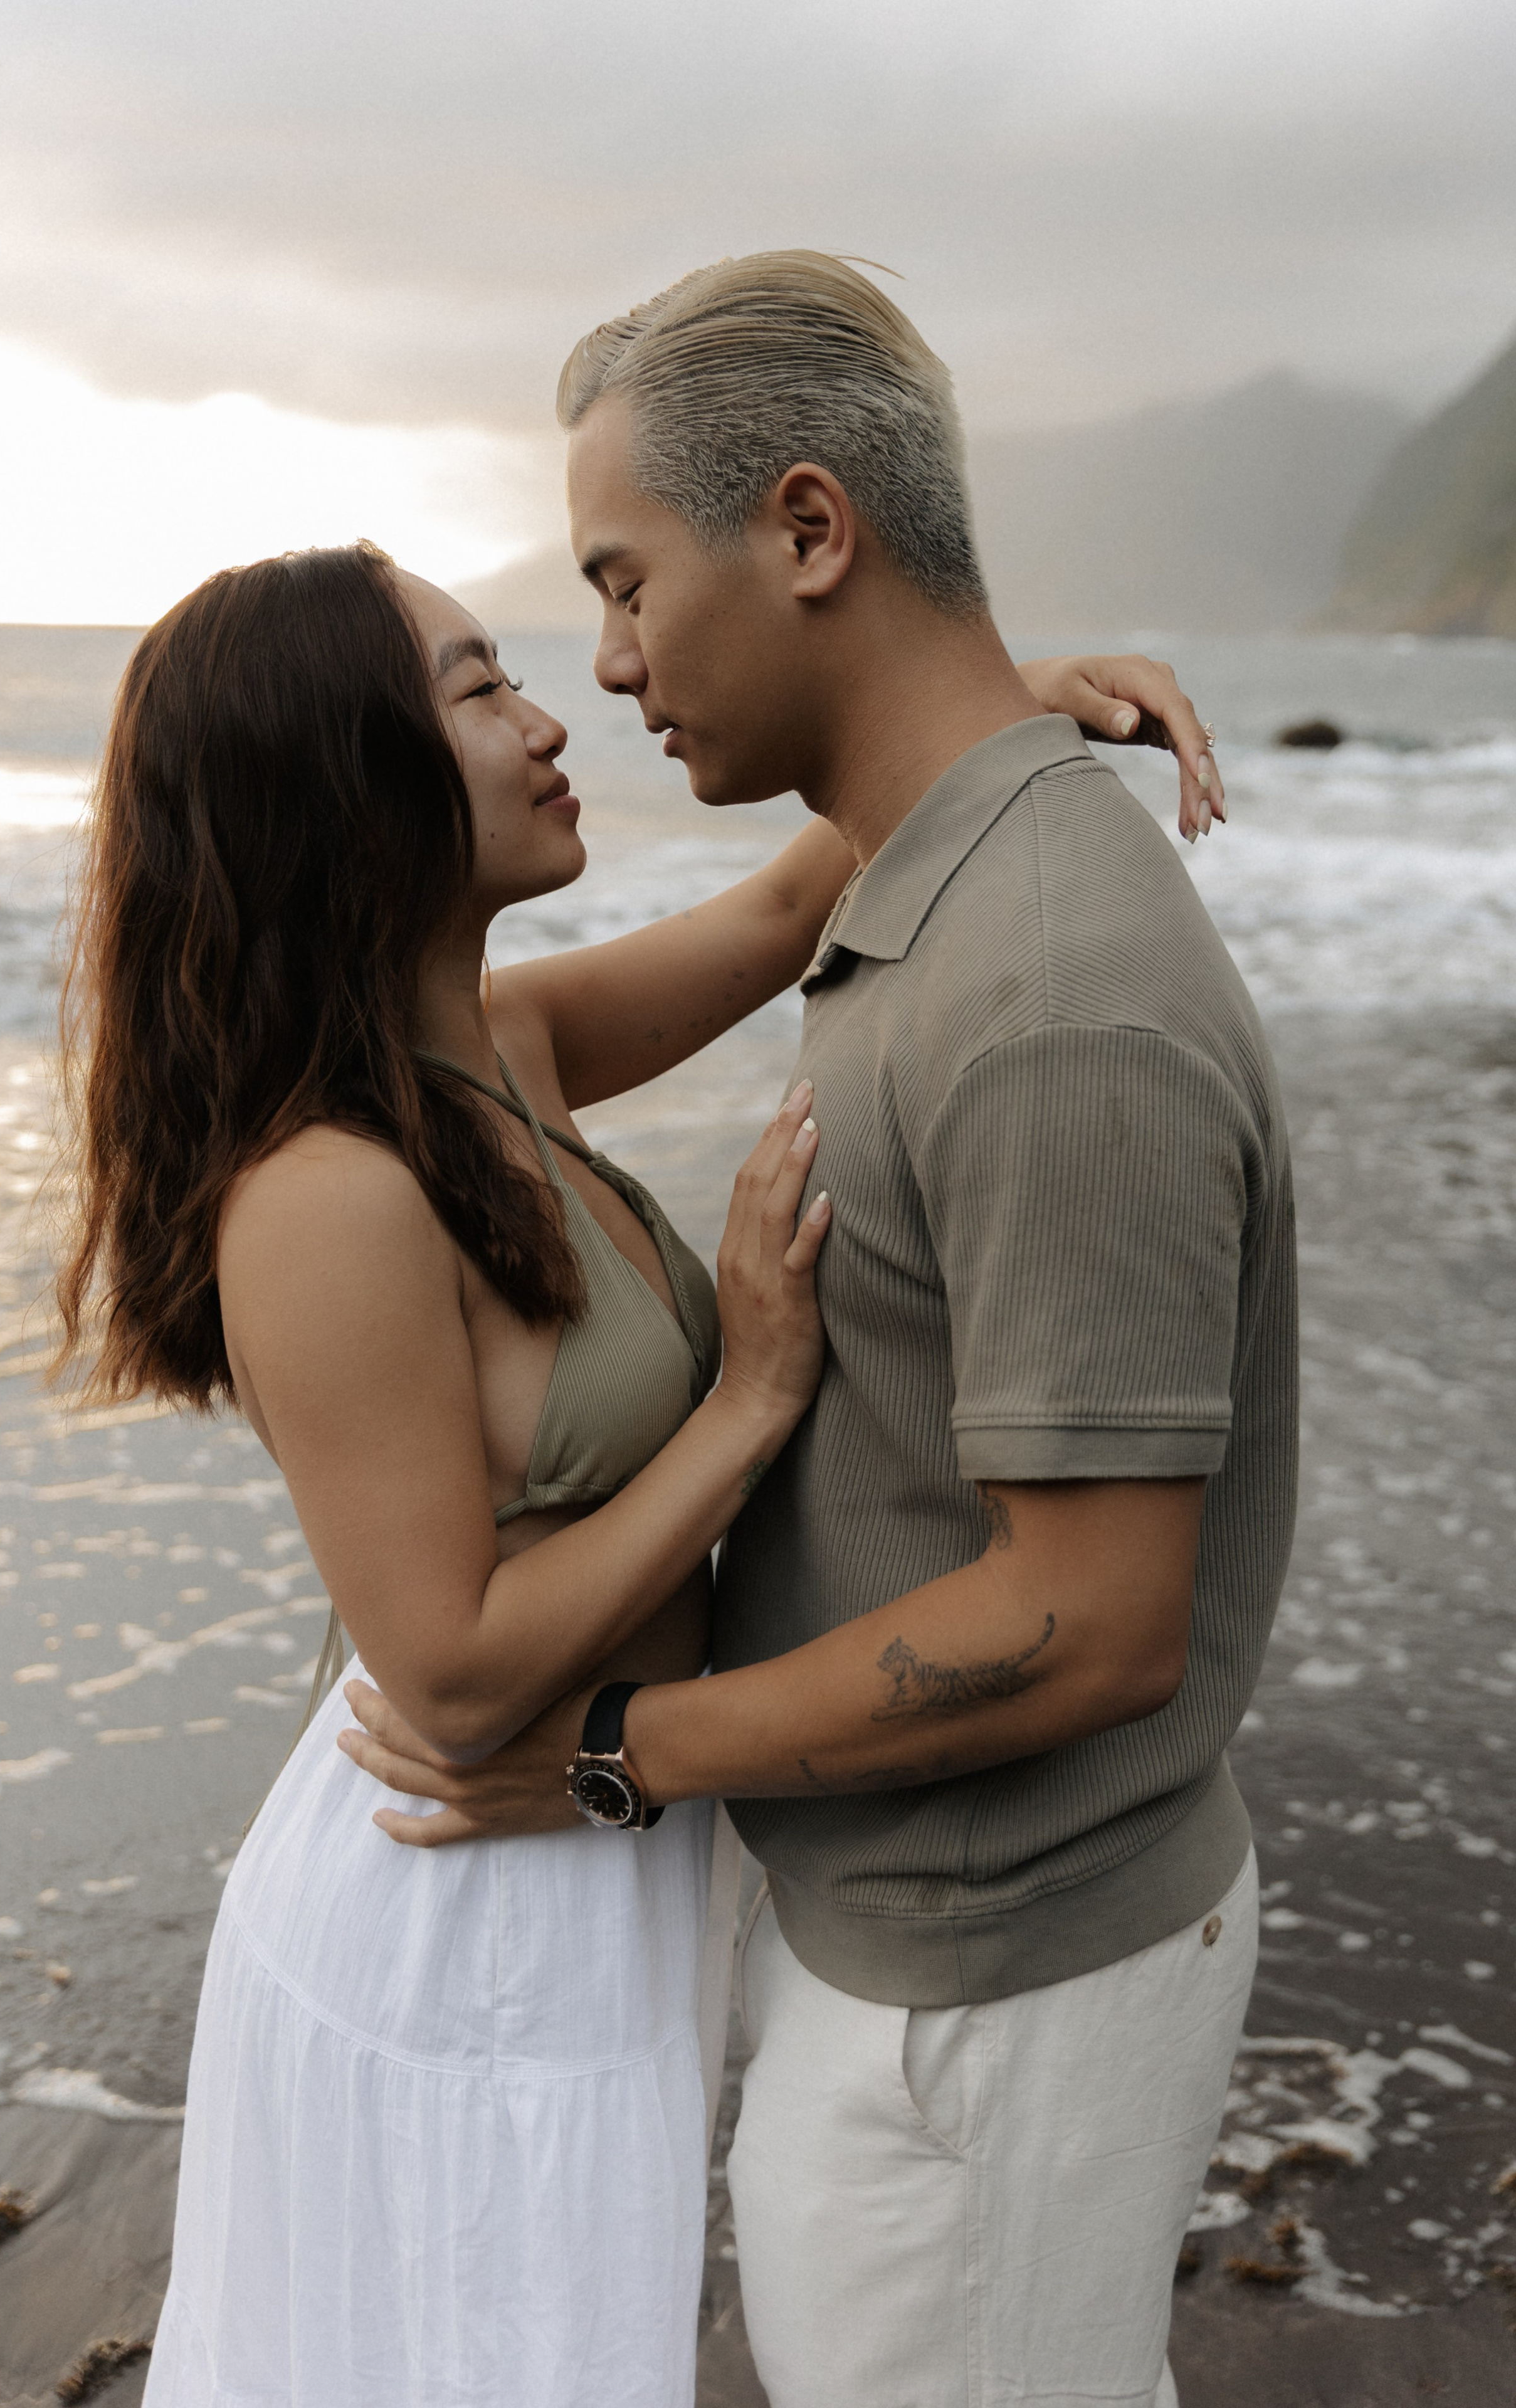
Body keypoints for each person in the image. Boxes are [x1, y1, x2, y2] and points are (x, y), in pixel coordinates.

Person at [55, 527, 1211, 2406]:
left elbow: (777, 920)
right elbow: (447, 1668)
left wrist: (1006, 713)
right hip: (463, 1904)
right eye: (475, 685)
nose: (550, 712)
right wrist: (752, 1394)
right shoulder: (327, 1195)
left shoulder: (499, 1046)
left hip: (594, 1863)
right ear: (347, 776)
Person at [344, 252, 1295, 2408]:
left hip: (990, 1969)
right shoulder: (915, 898)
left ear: (801, 532)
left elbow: (1097, 1617)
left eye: (616, 581)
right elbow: (793, 891)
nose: (598, 667)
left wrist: (615, 1760)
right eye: (524, 647)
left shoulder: (1044, 982)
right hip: (904, 1924)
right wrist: (1001, 705)